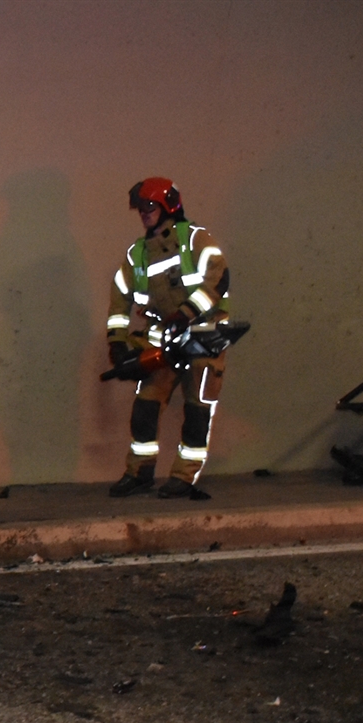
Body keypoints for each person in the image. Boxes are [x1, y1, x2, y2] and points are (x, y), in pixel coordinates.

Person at [106, 178, 231, 498]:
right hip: (165, 340)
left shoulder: (195, 240)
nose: (144, 214)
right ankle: (139, 473)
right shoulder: (139, 254)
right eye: (141, 209)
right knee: (145, 407)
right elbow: (120, 295)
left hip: (203, 338)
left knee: (197, 411)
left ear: (168, 206)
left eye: (150, 207)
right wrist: (117, 341)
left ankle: (184, 477)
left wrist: (184, 314)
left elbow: (217, 282)